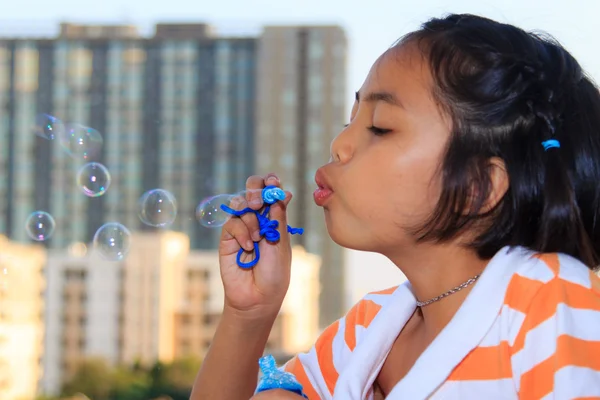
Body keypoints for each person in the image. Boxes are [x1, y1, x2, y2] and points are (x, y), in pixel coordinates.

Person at [191, 13, 600, 399]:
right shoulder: (368, 329)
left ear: (477, 187)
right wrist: (250, 314)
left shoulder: (551, 301)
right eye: (348, 122)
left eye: (380, 127)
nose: (340, 144)